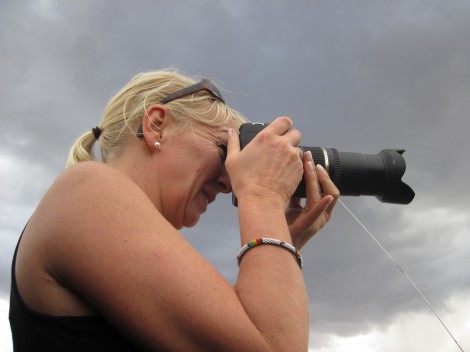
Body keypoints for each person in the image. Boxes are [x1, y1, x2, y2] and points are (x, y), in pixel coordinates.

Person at [9, 69, 339, 351]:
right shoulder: (86, 188)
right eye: (225, 150)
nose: (230, 183)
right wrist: (262, 196)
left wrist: (283, 247)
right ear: (157, 125)